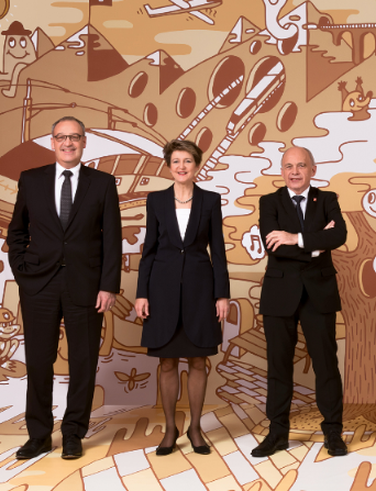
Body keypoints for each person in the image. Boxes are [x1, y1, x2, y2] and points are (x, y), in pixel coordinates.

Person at [8, 116, 121, 460]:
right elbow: (17, 232)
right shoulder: (31, 179)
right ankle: (39, 434)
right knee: (39, 361)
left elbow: (113, 240)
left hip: (86, 286)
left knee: (83, 362)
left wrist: (108, 286)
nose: (68, 143)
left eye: (74, 137)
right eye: (61, 137)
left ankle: (73, 433)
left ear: (84, 142)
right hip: (39, 285)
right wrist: (23, 272)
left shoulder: (102, 183)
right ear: (53, 142)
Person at [251, 146, 348, 458]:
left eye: (301, 165)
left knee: (326, 365)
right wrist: (318, 243)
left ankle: (333, 432)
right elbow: (273, 245)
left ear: (313, 169)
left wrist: (296, 238)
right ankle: (277, 433)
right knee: (278, 367)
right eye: (289, 166)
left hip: (319, 294)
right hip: (280, 295)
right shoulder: (269, 202)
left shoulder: (328, 199)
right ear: (282, 172)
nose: (295, 171)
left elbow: (340, 235)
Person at [134, 140, 229, 456]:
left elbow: (218, 252)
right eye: (176, 161)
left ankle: (197, 428)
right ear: (169, 166)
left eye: (187, 161)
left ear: (197, 165)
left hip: (201, 292)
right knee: (167, 362)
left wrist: (222, 295)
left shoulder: (211, 201)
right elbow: (148, 251)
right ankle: (170, 429)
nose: (182, 166)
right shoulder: (156, 200)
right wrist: (141, 293)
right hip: (161, 291)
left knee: (199, 360)